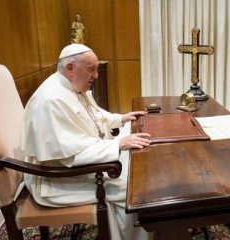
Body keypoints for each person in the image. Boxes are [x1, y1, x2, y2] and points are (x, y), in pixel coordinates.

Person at [21, 43, 152, 239]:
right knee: (135, 188)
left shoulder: (69, 85)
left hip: (75, 167)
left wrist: (120, 118)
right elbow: (71, 155)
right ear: (70, 68)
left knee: (138, 167)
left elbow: (93, 115)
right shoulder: (51, 101)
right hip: (55, 179)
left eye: (96, 69)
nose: (96, 75)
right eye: (91, 70)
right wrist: (118, 144)